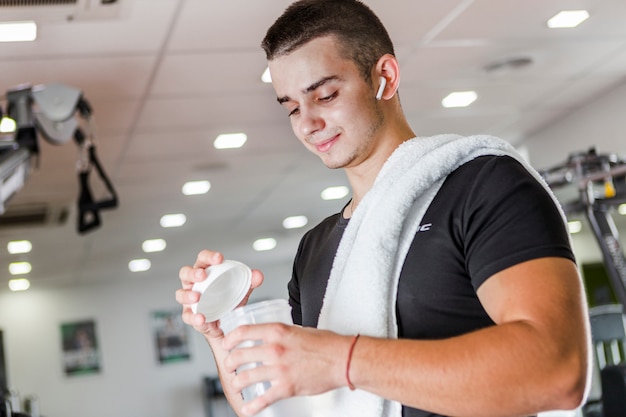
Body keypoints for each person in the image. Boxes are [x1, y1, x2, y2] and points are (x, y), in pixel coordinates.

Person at [176, 1, 591, 416]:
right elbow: (279, 401)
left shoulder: (484, 186)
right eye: (292, 108)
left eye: (325, 95)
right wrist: (222, 331)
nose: (307, 123)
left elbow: (557, 369)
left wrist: (342, 360)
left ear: (385, 77)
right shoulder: (315, 249)